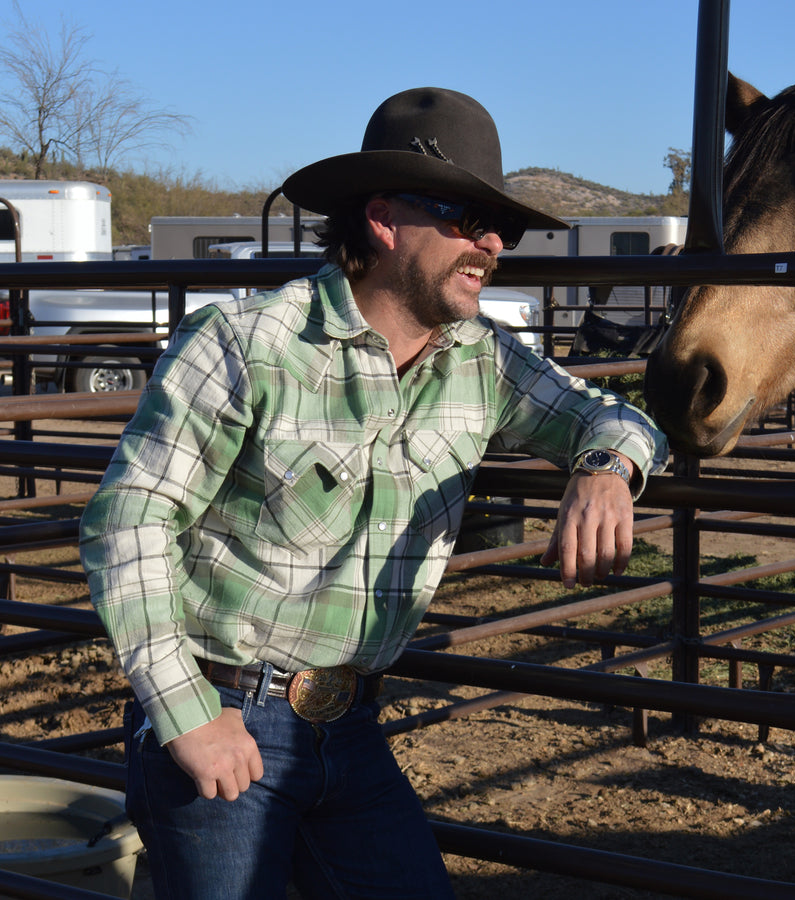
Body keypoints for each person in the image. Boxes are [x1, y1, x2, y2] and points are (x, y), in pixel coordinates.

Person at [80, 87, 668, 900]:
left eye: (503, 227)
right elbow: (128, 524)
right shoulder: (248, 346)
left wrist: (605, 467)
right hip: (224, 711)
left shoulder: (483, 360)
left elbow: (611, 416)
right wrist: (186, 714)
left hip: (350, 725)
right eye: (467, 218)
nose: (493, 243)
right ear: (386, 220)